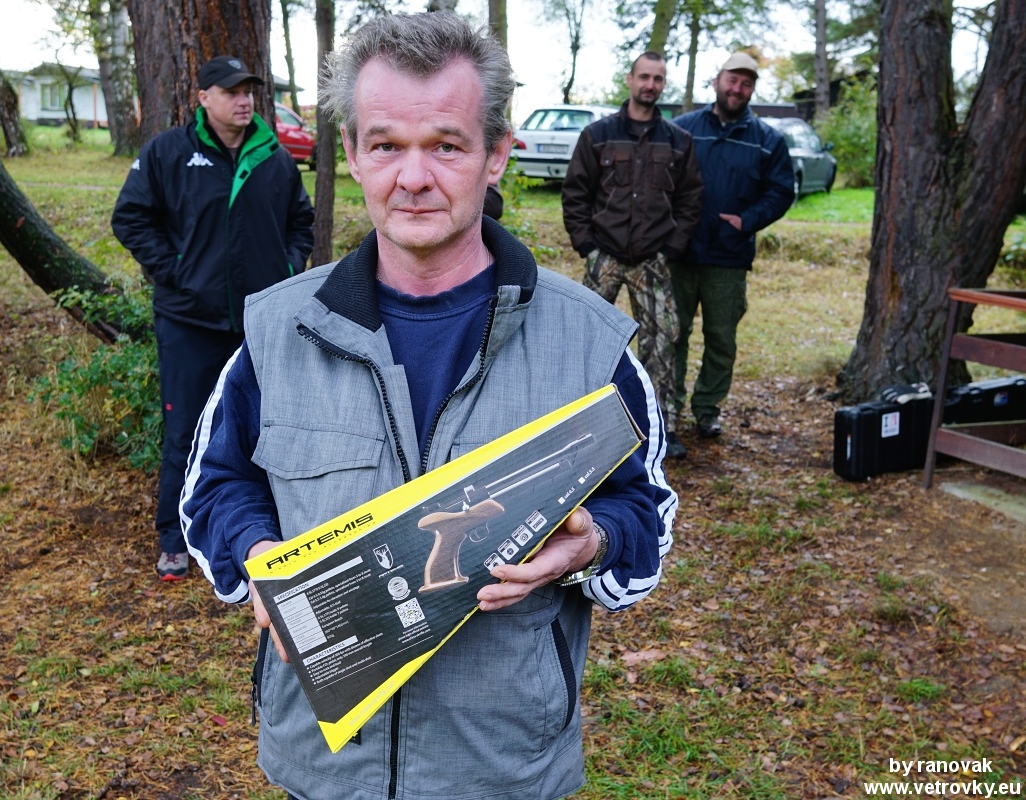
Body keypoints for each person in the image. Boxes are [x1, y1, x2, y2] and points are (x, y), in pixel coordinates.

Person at [180, 13, 675, 800]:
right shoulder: (279, 331)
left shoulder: (590, 346)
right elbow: (215, 488)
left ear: (496, 154)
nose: (413, 178)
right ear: (351, 154)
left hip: (501, 767)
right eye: (385, 146)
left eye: (446, 145)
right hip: (324, 767)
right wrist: (258, 552)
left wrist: (594, 543)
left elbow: (644, 514)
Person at [112, 56, 314, 581]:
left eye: (248, 91)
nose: (243, 100)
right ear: (203, 98)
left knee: (263, 427)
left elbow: (301, 220)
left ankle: (257, 534)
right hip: (189, 321)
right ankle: (174, 537)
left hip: (257, 323)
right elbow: (129, 217)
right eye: (231, 91)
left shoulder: (275, 158)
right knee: (186, 428)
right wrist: (175, 271)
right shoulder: (169, 153)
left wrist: (288, 267)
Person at [561, 51, 702, 460]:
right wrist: (586, 245)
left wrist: (672, 247)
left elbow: (691, 199)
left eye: (658, 79)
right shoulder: (598, 134)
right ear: (630, 79)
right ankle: (578, 423)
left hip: (653, 258)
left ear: (663, 84)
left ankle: (663, 426)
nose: (650, 85)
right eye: (644, 77)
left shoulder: (678, 140)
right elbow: (576, 192)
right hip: (604, 255)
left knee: (663, 342)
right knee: (586, 339)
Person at [671, 52, 794, 440]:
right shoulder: (683, 129)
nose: (737, 89)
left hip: (728, 256)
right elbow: (660, 180)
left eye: (746, 83)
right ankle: (666, 408)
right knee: (672, 335)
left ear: (752, 89)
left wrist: (748, 220)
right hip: (680, 253)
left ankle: (707, 409)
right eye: (732, 80)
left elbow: (782, 191)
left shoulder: (768, 141)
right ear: (717, 81)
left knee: (721, 339)